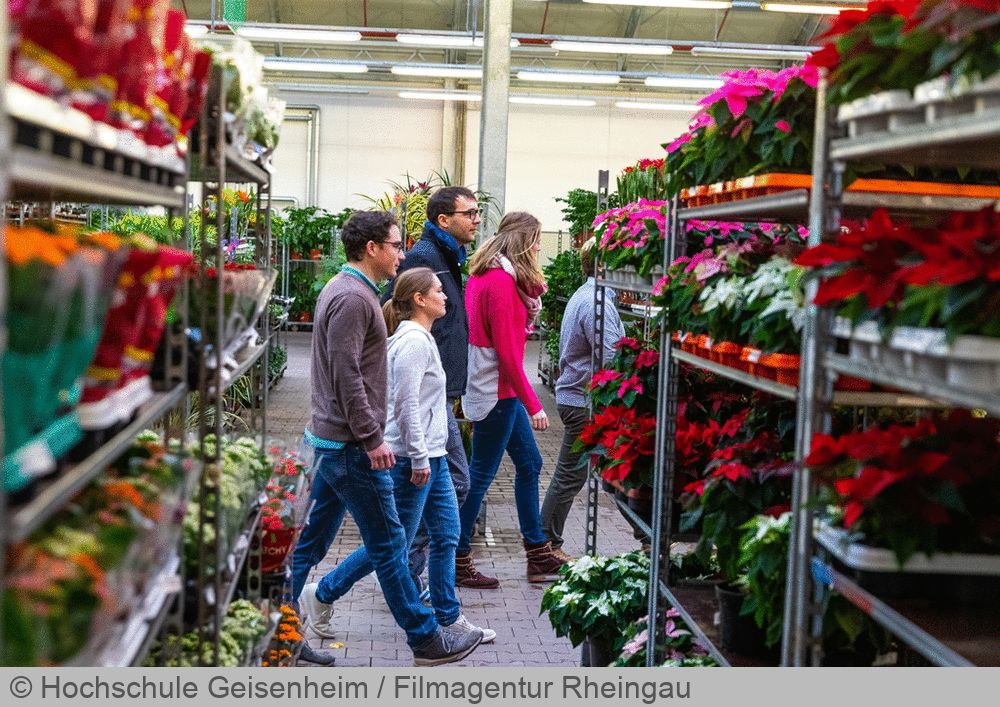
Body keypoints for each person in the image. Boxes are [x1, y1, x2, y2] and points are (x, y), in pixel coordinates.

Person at [291, 211, 482, 666]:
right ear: (372, 248)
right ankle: (427, 638)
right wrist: (373, 438)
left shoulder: (347, 292)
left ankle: (277, 631)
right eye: (396, 245)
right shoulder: (354, 299)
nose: (402, 252)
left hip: (330, 443)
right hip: (351, 448)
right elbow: (346, 375)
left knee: (310, 546)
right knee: (390, 546)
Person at [457, 211, 565, 587]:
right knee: (481, 475)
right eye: (535, 240)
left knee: (531, 463)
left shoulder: (488, 274)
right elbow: (507, 353)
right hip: (497, 392)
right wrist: (534, 404)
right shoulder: (501, 283)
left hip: (500, 390)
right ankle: (457, 558)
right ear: (523, 242)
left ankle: (537, 553)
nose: (538, 247)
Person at [387, 186, 479, 591]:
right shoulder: (427, 257)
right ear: (444, 220)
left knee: (455, 483)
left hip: (439, 390)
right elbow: (406, 399)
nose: (476, 219)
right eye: (469, 213)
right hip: (430, 394)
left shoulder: (447, 255)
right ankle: (406, 570)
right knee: (453, 483)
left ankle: (413, 574)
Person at [539, 238, 625, 560]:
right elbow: (612, 357)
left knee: (583, 473)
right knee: (571, 475)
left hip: (580, 400)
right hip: (583, 403)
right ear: (603, 266)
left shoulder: (590, 296)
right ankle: (545, 545)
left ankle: (544, 543)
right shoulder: (595, 301)